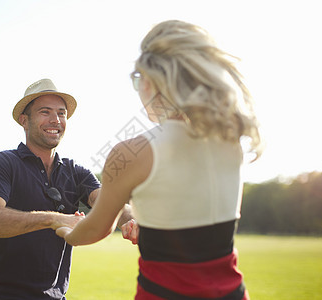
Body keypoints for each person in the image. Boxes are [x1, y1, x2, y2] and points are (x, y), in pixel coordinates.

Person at [56, 20, 262, 300]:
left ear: (152, 81)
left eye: (137, 80)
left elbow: (96, 230)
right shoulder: (231, 138)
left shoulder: (131, 152)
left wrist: (66, 231)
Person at [0, 78, 136, 299]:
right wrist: (56, 219)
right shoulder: (4, 162)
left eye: (61, 113)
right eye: (45, 112)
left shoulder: (75, 171)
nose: (55, 120)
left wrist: (134, 221)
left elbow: (110, 202)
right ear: (24, 120)